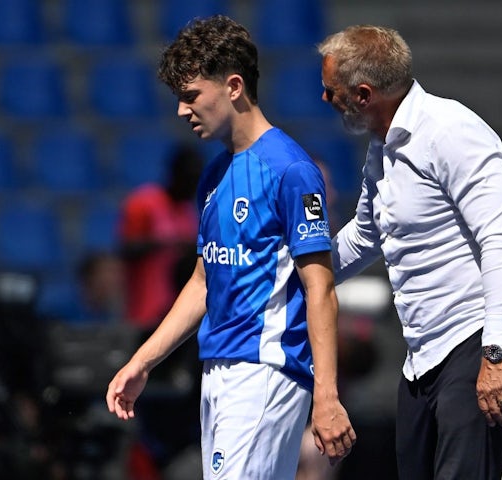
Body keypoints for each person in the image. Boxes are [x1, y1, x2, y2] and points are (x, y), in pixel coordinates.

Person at [106, 15, 355, 480]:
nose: (182, 110)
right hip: (217, 369)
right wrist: (142, 363)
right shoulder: (214, 176)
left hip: (265, 371)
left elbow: (320, 290)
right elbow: (204, 280)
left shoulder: (292, 171)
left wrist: (327, 394)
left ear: (234, 86)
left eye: (192, 95)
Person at [317, 25, 502, 479]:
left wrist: (496, 354)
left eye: (329, 91)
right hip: (423, 357)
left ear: (363, 94)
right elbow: (365, 235)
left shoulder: (451, 130)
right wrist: (295, 272)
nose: (324, 100)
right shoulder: (382, 148)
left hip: (475, 341)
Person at [118, 143, 204, 331]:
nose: (193, 186)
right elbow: (126, 249)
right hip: (145, 312)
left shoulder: (189, 211)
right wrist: (162, 244)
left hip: (177, 313)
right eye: (189, 179)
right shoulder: (143, 202)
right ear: (175, 174)